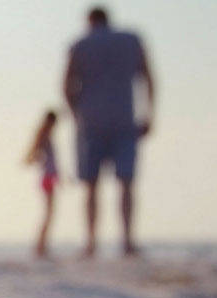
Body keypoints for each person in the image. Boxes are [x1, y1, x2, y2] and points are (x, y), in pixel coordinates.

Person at [63, 6, 155, 258]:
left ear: (89, 21)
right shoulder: (131, 40)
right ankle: (127, 241)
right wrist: (149, 114)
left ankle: (91, 241)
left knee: (91, 186)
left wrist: (76, 114)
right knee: (126, 183)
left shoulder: (80, 45)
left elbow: (66, 85)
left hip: (90, 121)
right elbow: (148, 77)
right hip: (124, 118)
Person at [24, 110, 60, 259]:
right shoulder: (43, 134)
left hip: (49, 176)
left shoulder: (46, 135)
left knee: (50, 212)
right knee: (49, 212)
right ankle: (40, 246)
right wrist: (38, 158)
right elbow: (32, 155)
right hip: (47, 177)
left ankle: (42, 245)